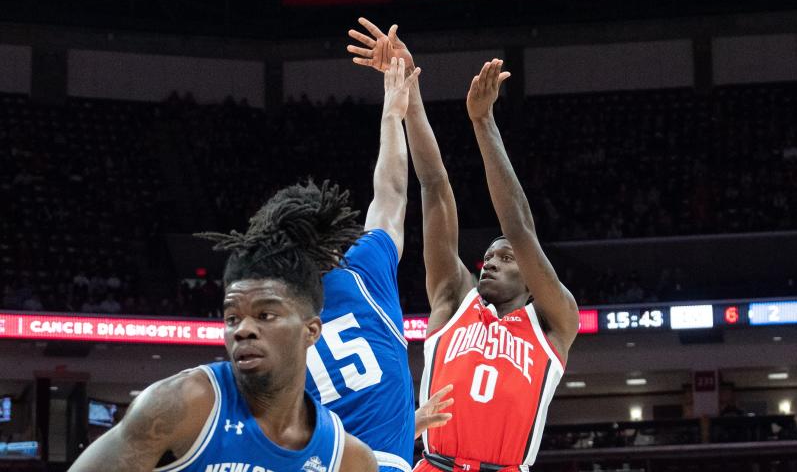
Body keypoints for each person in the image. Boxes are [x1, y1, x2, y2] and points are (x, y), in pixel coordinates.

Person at [346, 30, 579, 472]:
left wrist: (482, 121)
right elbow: (434, 186)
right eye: (488, 256)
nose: (490, 260)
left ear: (532, 279)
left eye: (506, 258)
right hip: (434, 464)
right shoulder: (454, 301)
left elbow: (519, 227)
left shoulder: (553, 324)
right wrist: (408, 88)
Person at [68, 178, 378, 472]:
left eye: (265, 315)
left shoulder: (348, 458)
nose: (243, 329)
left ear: (311, 331)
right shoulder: (181, 406)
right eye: (232, 318)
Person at [309, 41, 451, 472]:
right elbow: (391, 193)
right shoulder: (362, 271)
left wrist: (400, 423)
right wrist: (392, 111)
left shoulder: (279, 315)